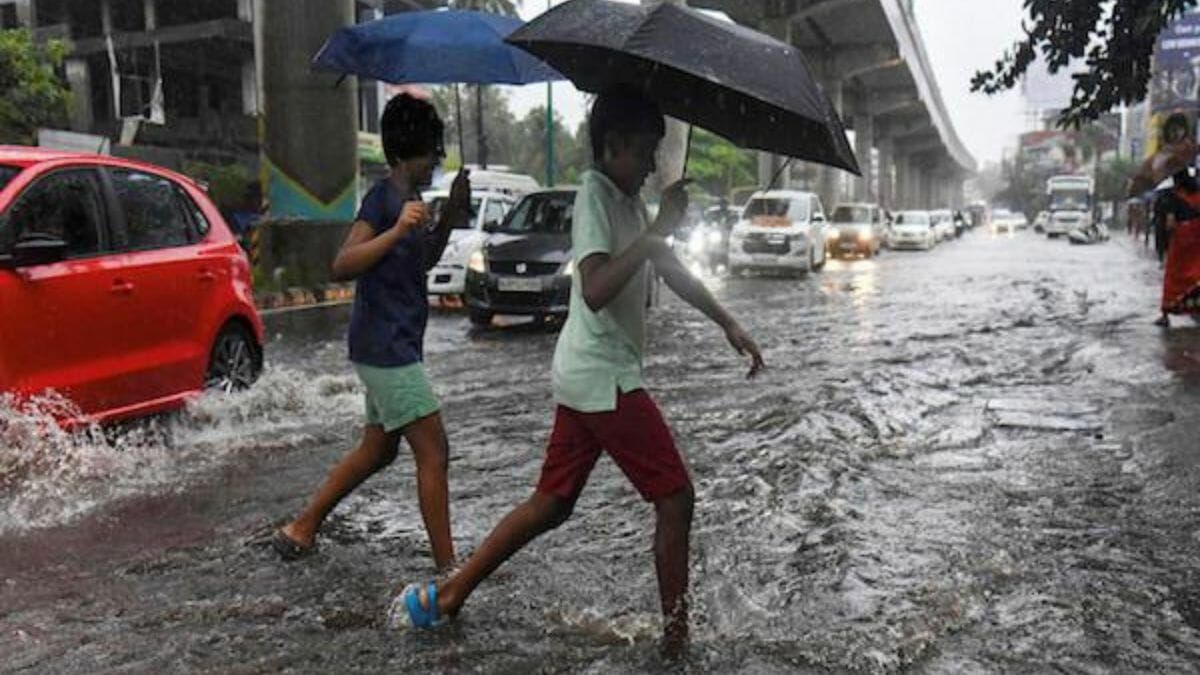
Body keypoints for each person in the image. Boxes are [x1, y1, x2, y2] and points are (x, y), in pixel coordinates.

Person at [392, 83, 765, 652]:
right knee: (676, 498)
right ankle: (676, 642)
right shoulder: (594, 194)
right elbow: (593, 287)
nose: (648, 167)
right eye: (644, 152)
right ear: (613, 145)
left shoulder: (628, 201)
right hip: (603, 375)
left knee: (552, 503)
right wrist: (658, 227)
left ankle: (449, 595)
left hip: (588, 373)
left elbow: (668, 268)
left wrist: (726, 322)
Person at [272, 94, 471, 572]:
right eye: (430, 154)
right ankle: (449, 572)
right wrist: (397, 228)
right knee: (435, 452)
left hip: (393, 343)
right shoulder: (384, 199)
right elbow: (342, 264)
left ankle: (301, 527)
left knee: (379, 450)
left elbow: (419, 263)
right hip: (386, 348)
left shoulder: (413, 201)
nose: (435, 164)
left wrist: (447, 219)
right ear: (406, 152)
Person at [1155, 167, 1200, 327]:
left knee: (1174, 275)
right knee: (1196, 273)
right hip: (1197, 237)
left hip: (1181, 239)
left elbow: (1170, 223)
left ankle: (1166, 313)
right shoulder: (1197, 194)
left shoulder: (1171, 196)